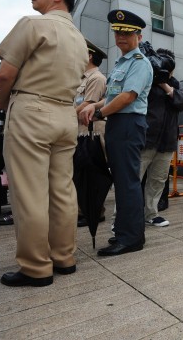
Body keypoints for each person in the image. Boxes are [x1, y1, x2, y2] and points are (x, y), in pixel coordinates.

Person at [0, 0, 88, 287]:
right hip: (64, 115)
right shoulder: (79, 40)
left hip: (31, 111)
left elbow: (5, 74)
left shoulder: (34, 25)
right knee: (62, 190)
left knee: (30, 194)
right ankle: (64, 257)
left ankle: (35, 267)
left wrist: (1, 103)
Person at [80, 9, 153, 257]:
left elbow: (127, 97)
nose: (121, 37)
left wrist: (100, 113)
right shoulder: (122, 63)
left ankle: (131, 238)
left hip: (128, 124)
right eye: (118, 32)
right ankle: (124, 232)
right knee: (122, 182)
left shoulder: (140, 63)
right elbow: (112, 97)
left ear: (138, 36)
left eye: (127, 32)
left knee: (128, 182)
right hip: (118, 124)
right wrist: (95, 104)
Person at [139, 47, 183, 227]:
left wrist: (165, 85)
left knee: (158, 180)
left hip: (166, 143)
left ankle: (151, 214)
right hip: (145, 140)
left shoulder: (176, 84)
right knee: (133, 179)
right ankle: (124, 216)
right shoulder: (145, 80)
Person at [75, 39, 108, 227]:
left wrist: (64, 117)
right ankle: (84, 210)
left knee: (93, 170)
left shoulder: (97, 78)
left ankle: (95, 212)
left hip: (92, 129)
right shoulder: (81, 78)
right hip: (80, 129)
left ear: (89, 56)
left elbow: (87, 104)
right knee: (81, 171)